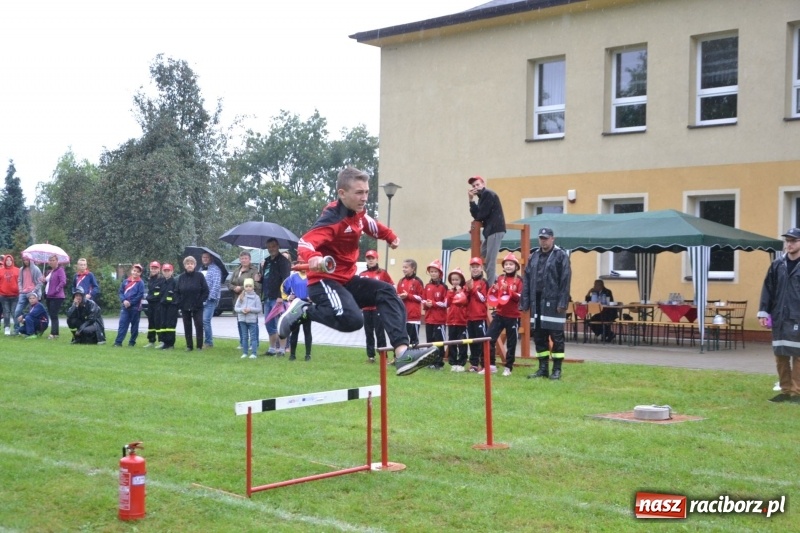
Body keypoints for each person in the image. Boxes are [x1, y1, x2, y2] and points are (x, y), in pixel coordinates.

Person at [277, 166, 437, 376]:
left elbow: (370, 225)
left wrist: (389, 236)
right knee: (353, 320)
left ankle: (402, 353)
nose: (364, 198)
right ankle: (304, 310)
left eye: (367, 192)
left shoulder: (359, 214)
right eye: (359, 193)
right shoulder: (332, 219)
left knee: (387, 292)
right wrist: (314, 257)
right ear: (342, 193)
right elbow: (306, 241)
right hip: (324, 282)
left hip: (346, 281)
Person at [520, 227, 572, 380]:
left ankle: (557, 369)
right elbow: (527, 279)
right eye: (541, 238)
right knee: (539, 337)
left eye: (546, 238)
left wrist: (563, 302)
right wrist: (525, 302)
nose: (543, 240)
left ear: (552, 238)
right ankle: (543, 368)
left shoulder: (560, 255)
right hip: (537, 302)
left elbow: (565, 280)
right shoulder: (534, 256)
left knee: (556, 336)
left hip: (554, 302)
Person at [758, 227, 800, 403]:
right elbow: (768, 289)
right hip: (780, 318)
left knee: (798, 355)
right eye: (787, 241)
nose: (789, 244)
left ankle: (797, 392)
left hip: (797, 317)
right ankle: (785, 390)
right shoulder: (777, 265)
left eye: (793, 241)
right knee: (781, 355)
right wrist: (763, 312)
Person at [487, 253, 524, 376]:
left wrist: (509, 291)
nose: (508, 266)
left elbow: (520, 297)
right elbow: (496, 295)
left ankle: (508, 367)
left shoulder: (519, 280)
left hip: (513, 316)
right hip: (499, 314)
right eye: (506, 264)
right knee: (489, 338)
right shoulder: (500, 278)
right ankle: (491, 365)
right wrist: (495, 290)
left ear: (516, 266)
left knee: (511, 343)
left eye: (511, 264)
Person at [468, 175, 506, 286]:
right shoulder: (482, 198)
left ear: (483, 184)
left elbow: (480, 215)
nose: (475, 187)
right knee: (481, 256)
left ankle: (491, 287)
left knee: (490, 260)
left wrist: (477, 217)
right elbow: (477, 216)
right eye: (473, 185)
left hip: (495, 230)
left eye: (477, 184)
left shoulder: (487, 194)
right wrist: (471, 200)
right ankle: (496, 280)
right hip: (490, 231)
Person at [359, 249, 393, 363]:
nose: (370, 260)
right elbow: (359, 290)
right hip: (366, 308)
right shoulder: (362, 275)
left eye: (372, 258)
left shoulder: (382, 273)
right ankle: (371, 356)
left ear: (377, 259)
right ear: (366, 260)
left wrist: (385, 298)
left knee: (380, 333)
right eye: (368, 258)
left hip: (378, 308)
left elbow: (391, 286)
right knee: (368, 333)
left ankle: (384, 356)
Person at [260, 238, 291, 356]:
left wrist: (280, 296)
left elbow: (286, 280)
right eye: (269, 247)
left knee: (280, 323)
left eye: (273, 246)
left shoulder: (283, 261)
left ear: (278, 246)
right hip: (267, 296)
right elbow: (267, 278)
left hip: (278, 298)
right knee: (269, 324)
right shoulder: (267, 261)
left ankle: (282, 349)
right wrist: (260, 279)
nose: (271, 249)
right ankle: (272, 349)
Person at [176, 255, 209, 352]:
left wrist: (200, 301)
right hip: (185, 305)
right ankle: (189, 346)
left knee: (199, 324)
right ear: (184, 266)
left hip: (197, 305)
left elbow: (205, 291)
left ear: (194, 265)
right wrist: (179, 302)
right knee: (187, 325)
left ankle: (199, 346)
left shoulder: (200, 276)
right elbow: (176, 291)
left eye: (191, 264)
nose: (189, 265)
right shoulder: (181, 277)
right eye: (187, 264)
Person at [282, 264, 312, 361]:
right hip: (296, 305)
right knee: (295, 331)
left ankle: (308, 355)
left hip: (307, 305)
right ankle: (292, 355)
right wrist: (287, 297)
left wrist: (313, 297)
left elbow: (319, 289)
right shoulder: (292, 277)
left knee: (307, 330)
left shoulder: (312, 276)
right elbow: (283, 288)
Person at [423, 259, 448, 370]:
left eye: (435, 271)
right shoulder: (427, 286)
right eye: (431, 271)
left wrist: (432, 303)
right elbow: (423, 299)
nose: (433, 273)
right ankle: (431, 361)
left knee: (439, 342)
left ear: (440, 273)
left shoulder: (444, 287)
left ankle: (439, 363)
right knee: (430, 341)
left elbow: (445, 304)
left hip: (439, 319)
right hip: (429, 319)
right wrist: (425, 304)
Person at [465, 256, 489, 372]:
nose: (475, 269)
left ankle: (484, 364)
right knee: (472, 341)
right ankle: (474, 364)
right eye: (472, 267)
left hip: (480, 317)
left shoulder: (484, 282)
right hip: (470, 317)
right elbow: (464, 299)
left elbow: (483, 298)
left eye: (477, 267)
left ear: (481, 268)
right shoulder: (468, 282)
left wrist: (473, 290)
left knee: (482, 341)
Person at [113, 264, 145, 347]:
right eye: (134, 271)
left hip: (135, 308)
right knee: (122, 324)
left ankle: (132, 342)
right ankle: (118, 342)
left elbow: (140, 295)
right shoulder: (125, 281)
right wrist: (124, 300)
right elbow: (121, 292)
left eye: (138, 272)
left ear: (140, 273)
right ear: (131, 271)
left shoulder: (140, 283)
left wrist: (131, 303)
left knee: (134, 326)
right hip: (125, 307)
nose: (135, 273)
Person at [446, 268, 469, 372]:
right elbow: (448, 303)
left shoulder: (465, 290)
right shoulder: (450, 291)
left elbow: (464, 301)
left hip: (462, 320)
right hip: (451, 320)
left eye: (457, 280)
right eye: (453, 280)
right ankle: (453, 362)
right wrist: (451, 292)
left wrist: (460, 291)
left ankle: (461, 362)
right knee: (452, 342)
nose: (455, 282)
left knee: (462, 342)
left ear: (461, 280)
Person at [397, 259, 424, 345]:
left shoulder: (418, 281)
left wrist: (408, 296)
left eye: (406, 267)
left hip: (413, 317)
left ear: (413, 268)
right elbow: (397, 295)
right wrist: (399, 297)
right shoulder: (401, 281)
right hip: (403, 316)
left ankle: (414, 357)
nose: (403, 269)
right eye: (403, 267)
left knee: (414, 342)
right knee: (401, 340)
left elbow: (422, 298)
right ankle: (401, 357)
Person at [14, 253, 42, 335]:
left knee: (32, 313)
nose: (26, 261)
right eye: (24, 260)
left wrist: (34, 290)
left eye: (27, 260)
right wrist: (20, 289)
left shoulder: (36, 269)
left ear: (30, 260)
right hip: (23, 293)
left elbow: (40, 282)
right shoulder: (21, 269)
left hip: (32, 293)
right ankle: (17, 329)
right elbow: (19, 280)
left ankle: (31, 329)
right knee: (17, 311)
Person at [234, 278, 261, 359]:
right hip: (242, 319)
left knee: (253, 337)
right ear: (244, 287)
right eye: (246, 286)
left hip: (252, 320)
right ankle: (245, 353)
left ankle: (254, 353)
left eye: (250, 286)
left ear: (253, 287)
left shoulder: (256, 297)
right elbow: (236, 308)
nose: (248, 288)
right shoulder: (241, 296)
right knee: (244, 337)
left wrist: (250, 309)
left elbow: (259, 309)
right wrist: (242, 310)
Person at [200, 251, 222, 349]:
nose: (205, 259)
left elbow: (216, 284)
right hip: (200, 299)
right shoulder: (200, 269)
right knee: (201, 321)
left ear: (211, 258)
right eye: (203, 257)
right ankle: (202, 341)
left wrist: (210, 297)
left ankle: (209, 342)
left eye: (207, 257)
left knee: (205, 320)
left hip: (210, 299)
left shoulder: (215, 269)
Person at [42, 255, 67, 340]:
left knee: (53, 314)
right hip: (49, 295)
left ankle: (53, 333)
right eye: (50, 260)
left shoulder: (60, 270)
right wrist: (44, 281)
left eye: (53, 260)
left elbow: (63, 282)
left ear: (57, 261)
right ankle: (55, 333)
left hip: (57, 296)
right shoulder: (50, 272)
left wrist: (57, 289)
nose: (51, 262)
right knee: (52, 315)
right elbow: (49, 283)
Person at [156, 263, 178, 350]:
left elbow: (176, 294)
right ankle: (165, 342)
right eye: (165, 270)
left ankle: (171, 344)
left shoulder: (174, 282)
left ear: (172, 271)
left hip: (171, 306)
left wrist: (173, 301)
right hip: (163, 306)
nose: (166, 272)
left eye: (168, 271)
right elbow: (158, 294)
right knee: (163, 324)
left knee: (170, 325)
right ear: (162, 271)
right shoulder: (162, 282)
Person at [144, 261, 163, 348]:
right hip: (150, 304)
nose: (153, 270)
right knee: (151, 322)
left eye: (155, 268)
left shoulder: (161, 279)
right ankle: (151, 340)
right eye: (152, 268)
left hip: (158, 304)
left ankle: (161, 340)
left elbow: (159, 293)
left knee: (158, 322)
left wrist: (152, 297)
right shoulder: (150, 279)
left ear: (159, 269)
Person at [0, 254, 20, 336]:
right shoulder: (1, 271)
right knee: (6, 312)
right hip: (4, 295)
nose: (8, 262)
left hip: (15, 295)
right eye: (7, 260)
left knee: (15, 312)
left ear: (12, 261)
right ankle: (7, 328)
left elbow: (20, 281)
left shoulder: (17, 270)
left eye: (10, 260)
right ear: (4, 261)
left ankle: (16, 328)